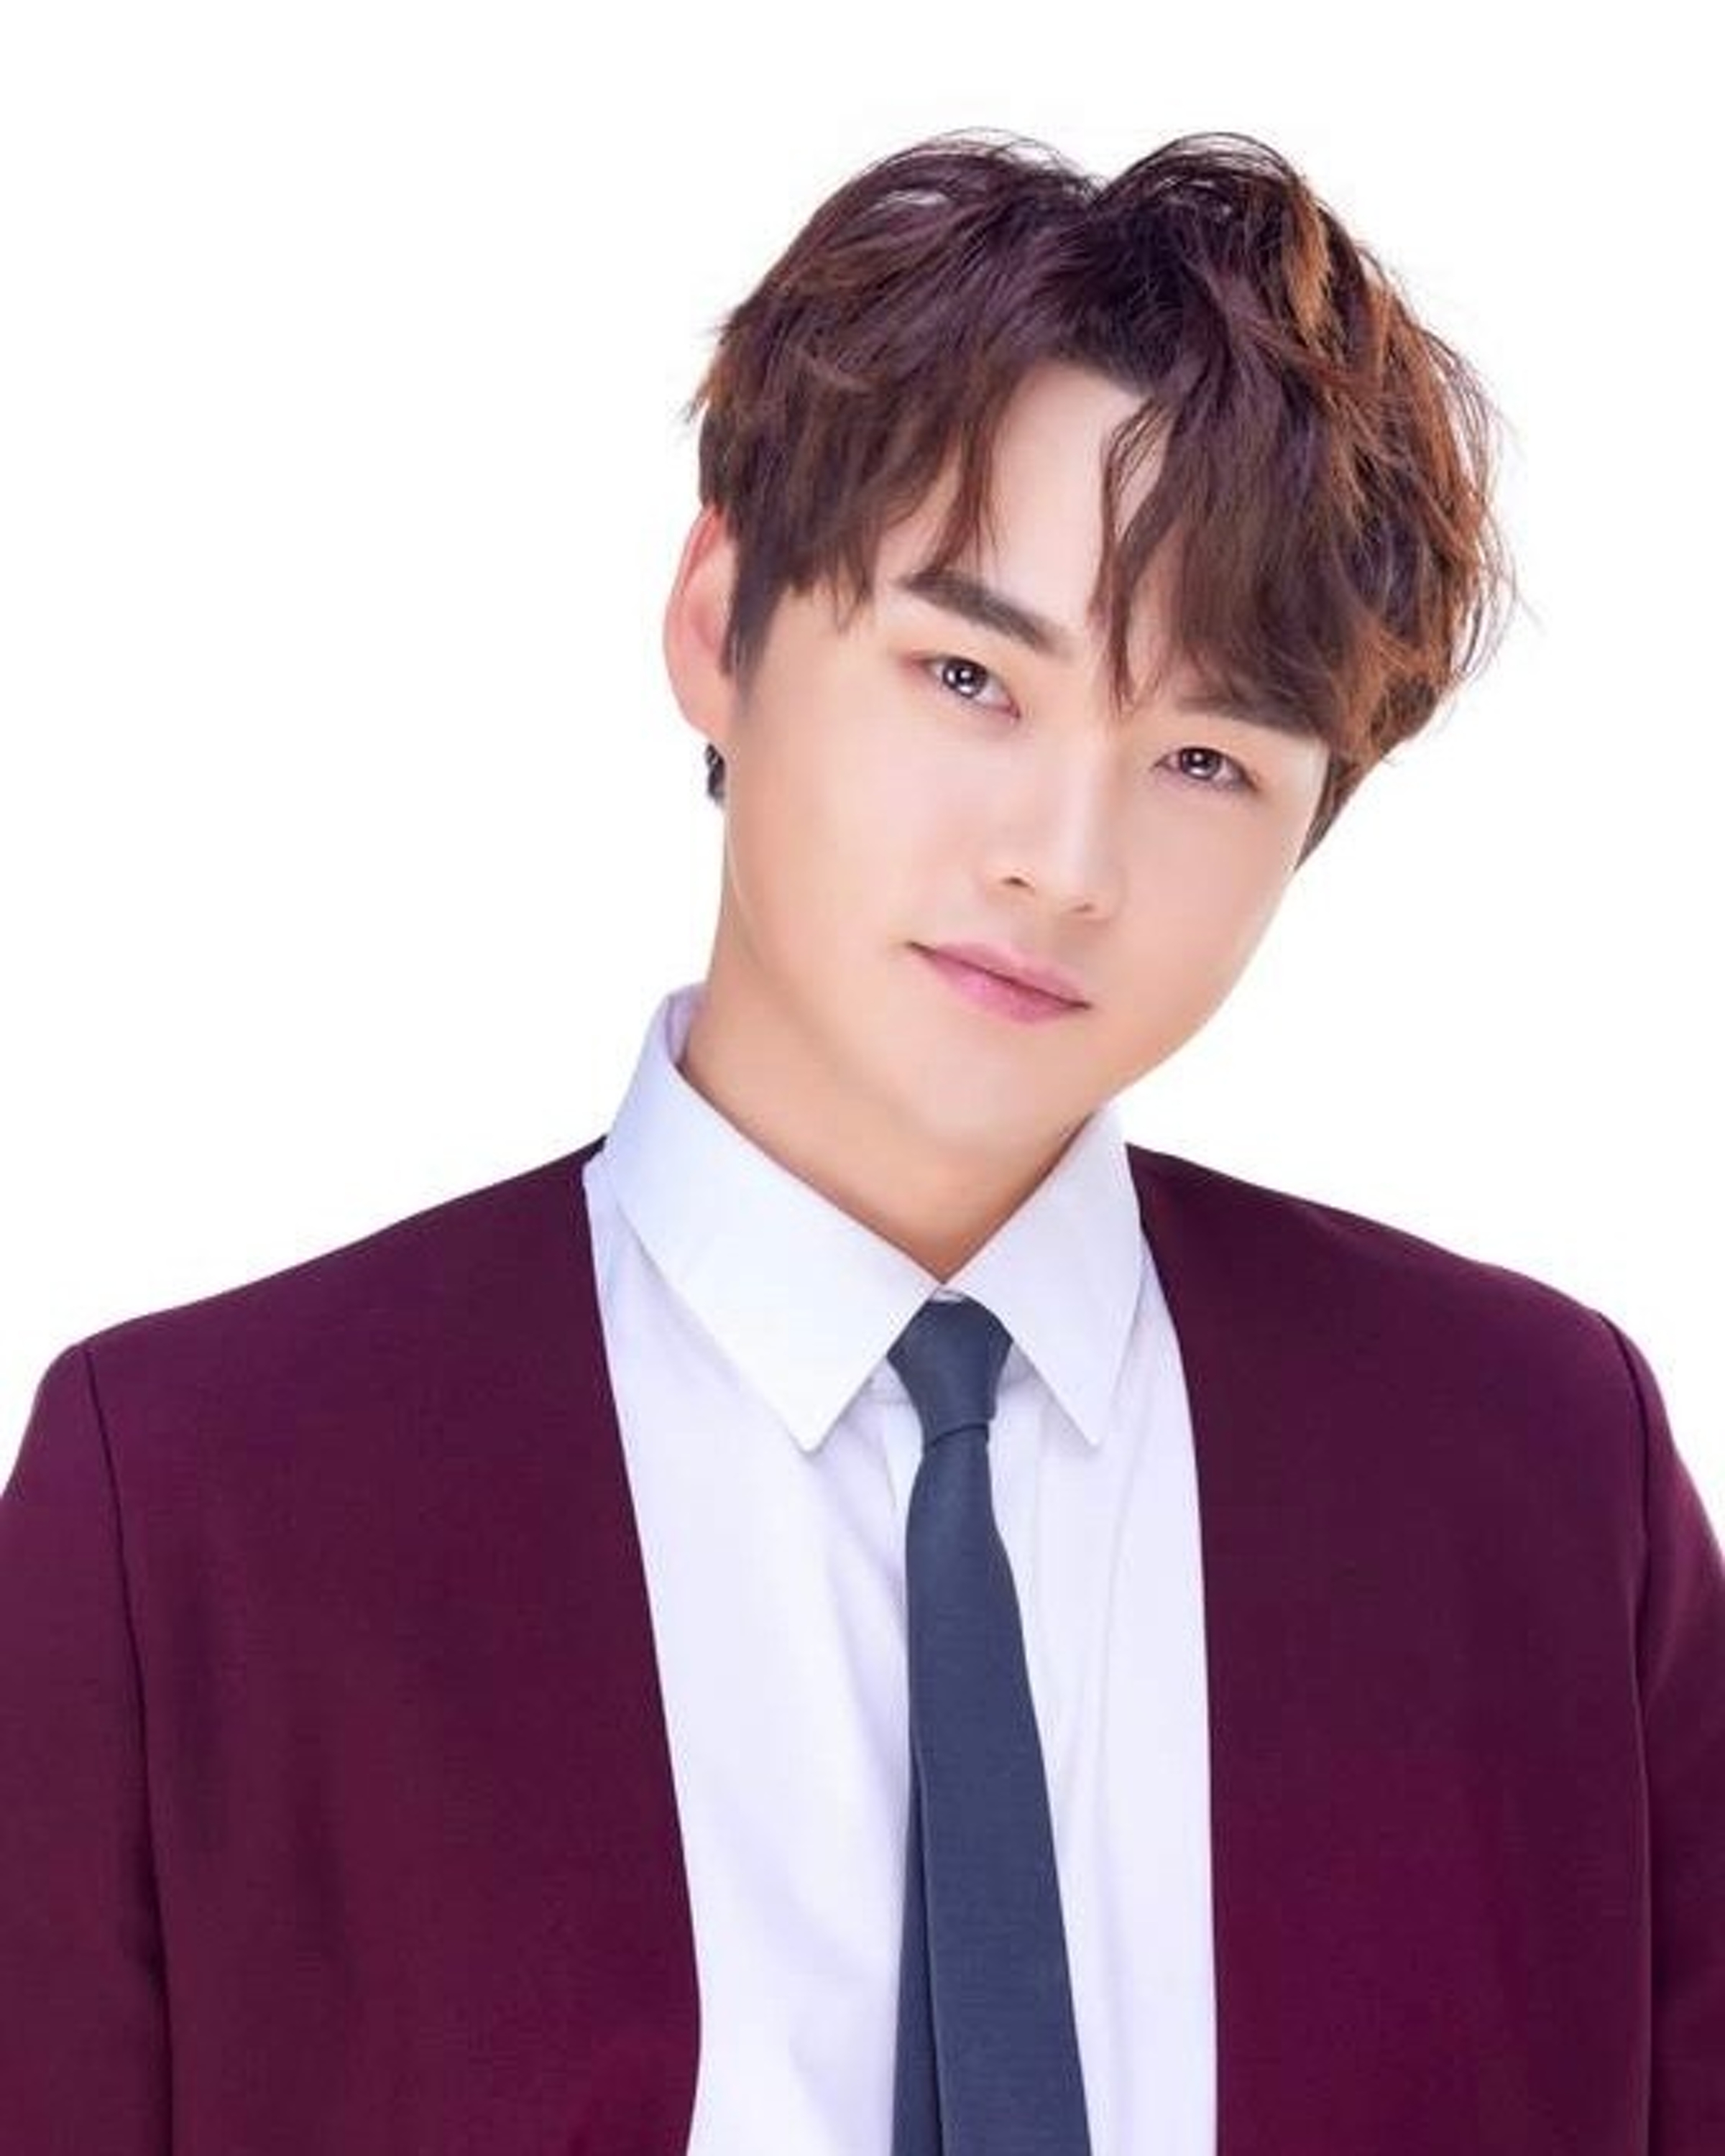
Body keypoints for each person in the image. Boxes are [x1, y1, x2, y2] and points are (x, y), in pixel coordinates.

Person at [2, 129, 1721, 2156]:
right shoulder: (193, 1502)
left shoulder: (1539, 1475)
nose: (1064, 861)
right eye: (969, 676)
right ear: (720, 618)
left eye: (1202, 758)